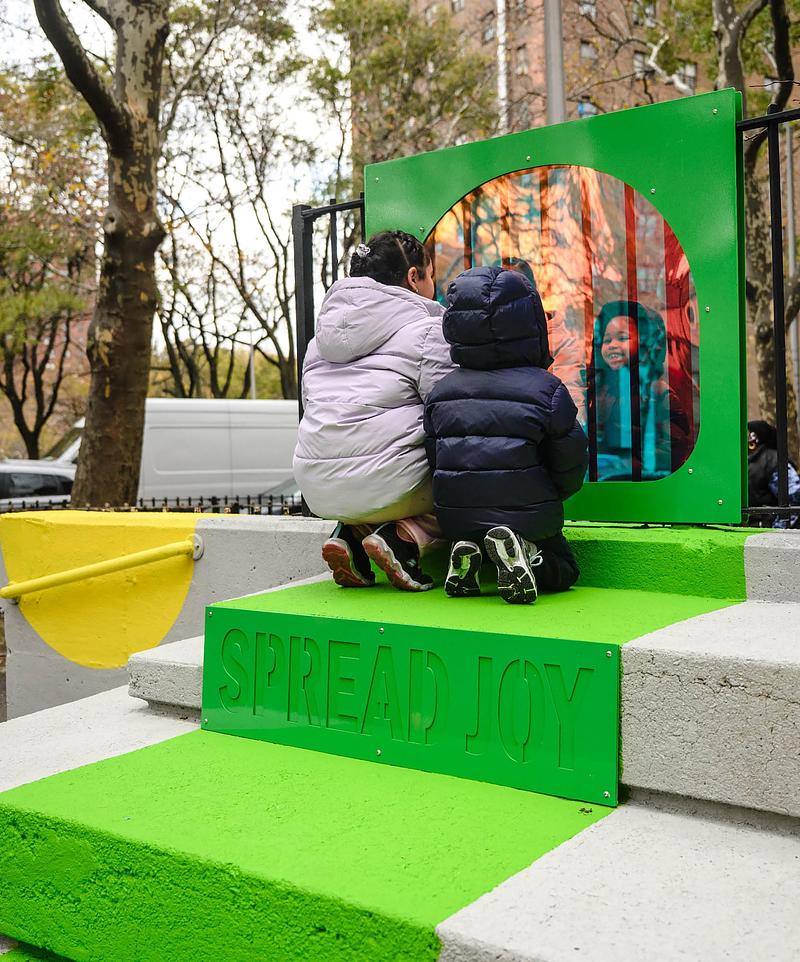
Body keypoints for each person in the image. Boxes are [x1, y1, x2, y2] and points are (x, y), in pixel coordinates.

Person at [293, 230, 454, 591]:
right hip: (390, 485)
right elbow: (448, 410)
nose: (433, 287)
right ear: (414, 277)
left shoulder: (317, 343)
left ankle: (350, 534)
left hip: (318, 488)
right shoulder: (429, 329)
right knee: (469, 476)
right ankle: (405, 538)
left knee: (367, 451)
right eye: (430, 277)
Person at [424, 266, 588, 605]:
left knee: (478, 528)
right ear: (530, 324)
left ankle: (468, 549)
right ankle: (526, 550)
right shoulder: (547, 390)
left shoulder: (441, 393)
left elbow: (434, 459)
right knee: (564, 569)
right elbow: (570, 458)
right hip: (527, 512)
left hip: (457, 515)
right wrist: (552, 494)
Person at [592, 300, 690, 481]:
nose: (612, 345)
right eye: (607, 340)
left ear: (646, 345)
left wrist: (630, 462)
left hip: (644, 486)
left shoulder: (658, 393)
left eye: (622, 338)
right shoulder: (602, 391)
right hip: (606, 484)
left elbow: (672, 448)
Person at [747, 420, 800, 528]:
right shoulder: (742, 460)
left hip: (767, 530)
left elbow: (795, 498)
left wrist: (777, 530)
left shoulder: (773, 461)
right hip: (748, 530)